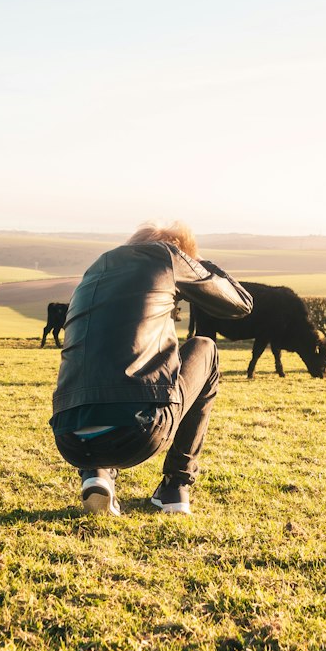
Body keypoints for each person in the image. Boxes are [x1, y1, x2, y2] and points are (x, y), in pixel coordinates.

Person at [51, 221, 252, 516]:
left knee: (101, 371)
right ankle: (175, 486)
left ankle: (97, 473)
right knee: (205, 348)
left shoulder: (95, 270)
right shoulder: (168, 258)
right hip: (138, 431)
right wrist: (194, 263)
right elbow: (241, 303)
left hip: (69, 437)